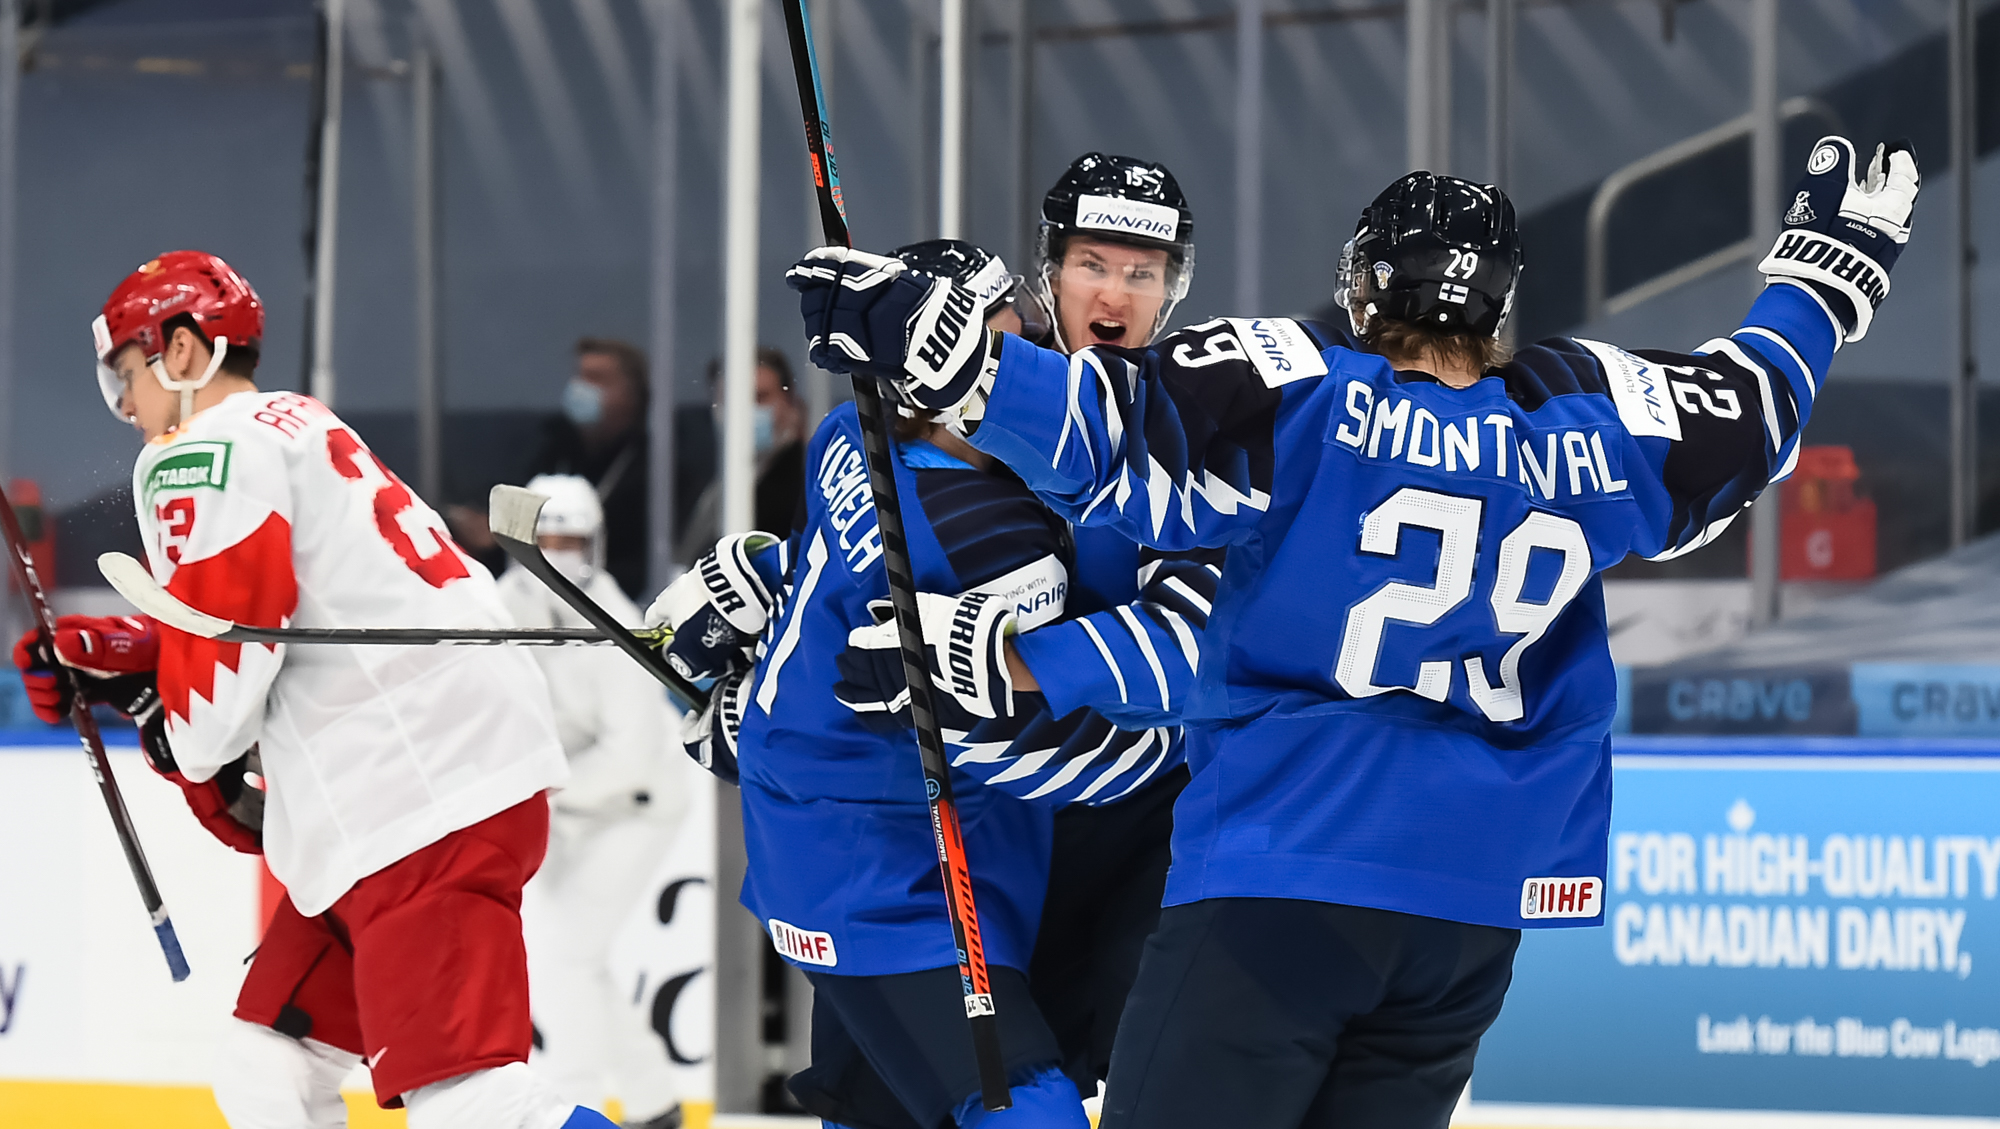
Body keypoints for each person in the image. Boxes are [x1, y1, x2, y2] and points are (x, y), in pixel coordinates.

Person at [788, 135, 1920, 1127]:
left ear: (1367, 286)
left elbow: (1102, 429)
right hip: (1471, 917)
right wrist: (1819, 286)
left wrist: (946, 358)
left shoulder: (1305, 391)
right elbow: (1750, 406)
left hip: (1286, 874)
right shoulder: (1587, 421)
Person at [17, 250, 617, 1129]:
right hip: (412, 787)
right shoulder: (295, 423)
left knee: (469, 1103)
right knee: (268, 1068)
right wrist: (137, 654)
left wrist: (158, 710)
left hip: (417, 798)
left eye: (127, 376)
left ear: (182, 351)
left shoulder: (199, 451)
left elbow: (214, 708)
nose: (128, 407)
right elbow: (285, 620)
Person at [651, 243, 1178, 1129]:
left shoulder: (843, 434)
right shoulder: (995, 541)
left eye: (1023, 341)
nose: (1023, 370)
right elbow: (1053, 740)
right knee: (1027, 1110)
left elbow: (825, 581)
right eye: (999, 349)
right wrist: (1189, 733)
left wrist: (764, 590)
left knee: (876, 1108)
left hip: (872, 823)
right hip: (890, 870)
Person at [496, 474, 695, 1129]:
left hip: (633, 808)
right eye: (546, 541)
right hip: (562, 807)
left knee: (566, 958)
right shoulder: (501, 605)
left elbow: (628, 757)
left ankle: (570, 1105)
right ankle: (652, 1101)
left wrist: (535, 786)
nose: (557, 555)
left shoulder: (615, 624)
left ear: (596, 543)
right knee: (575, 959)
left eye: (572, 541)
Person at [453, 339, 656, 600]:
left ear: (632, 395)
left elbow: (643, 567)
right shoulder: (554, 451)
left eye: (596, 379)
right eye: (580, 376)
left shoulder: (655, 472)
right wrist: (493, 540)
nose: (581, 388)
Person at [674, 346, 810, 563]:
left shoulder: (806, 483)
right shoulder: (701, 476)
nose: (744, 411)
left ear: (789, 402)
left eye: (759, 397)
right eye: (729, 399)